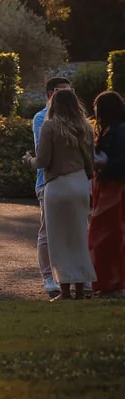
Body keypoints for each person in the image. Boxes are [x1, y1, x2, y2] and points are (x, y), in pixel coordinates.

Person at [32, 87, 96, 300]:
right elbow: (90, 161)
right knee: (79, 236)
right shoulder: (86, 127)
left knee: (58, 238)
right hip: (79, 183)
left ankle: (65, 290)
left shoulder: (50, 126)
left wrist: (28, 160)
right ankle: (81, 286)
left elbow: (42, 161)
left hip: (57, 185)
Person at [32, 76, 73, 299]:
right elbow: (43, 153)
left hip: (71, 180)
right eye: (62, 92)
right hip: (47, 181)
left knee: (73, 230)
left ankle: (73, 277)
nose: (69, 96)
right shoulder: (41, 118)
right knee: (47, 230)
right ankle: (48, 277)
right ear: (51, 93)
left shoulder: (76, 119)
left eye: (70, 91)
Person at [90, 91, 125, 295]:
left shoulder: (119, 131)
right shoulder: (112, 129)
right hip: (108, 189)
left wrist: (104, 164)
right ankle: (108, 282)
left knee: (108, 237)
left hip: (115, 190)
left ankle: (112, 283)